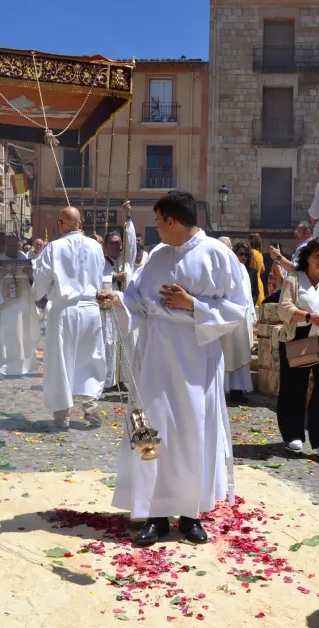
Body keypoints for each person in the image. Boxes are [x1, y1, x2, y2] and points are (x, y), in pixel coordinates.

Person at [96, 190, 248, 546]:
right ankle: (156, 513)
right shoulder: (158, 257)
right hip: (155, 359)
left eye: (159, 221)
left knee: (193, 431)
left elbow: (236, 308)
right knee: (153, 430)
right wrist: (117, 299)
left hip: (195, 360)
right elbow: (136, 298)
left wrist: (192, 304)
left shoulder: (218, 256)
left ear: (172, 221)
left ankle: (191, 513)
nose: (157, 229)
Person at [32, 207, 106, 428]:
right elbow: (100, 275)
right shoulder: (96, 247)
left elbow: (42, 280)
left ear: (60, 223)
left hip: (65, 308)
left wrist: (37, 295)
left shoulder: (54, 247)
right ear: (80, 223)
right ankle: (90, 405)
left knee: (60, 359)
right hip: (91, 308)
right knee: (91, 355)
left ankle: (62, 412)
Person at [276, 237, 319, 456]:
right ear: (307, 257)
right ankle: (294, 435)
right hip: (299, 336)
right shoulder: (294, 280)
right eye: (318, 255)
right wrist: (309, 316)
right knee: (294, 386)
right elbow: (284, 307)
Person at [0, 233, 39, 377]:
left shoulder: (24, 259)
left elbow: (37, 280)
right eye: (10, 246)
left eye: (16, 245)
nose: (14, 249)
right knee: (7, 335)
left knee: (24, 333)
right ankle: (5, 368)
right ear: (5, 246)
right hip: (5, 305)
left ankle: (23, 367)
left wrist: (31, 276)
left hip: (23, 303)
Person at [101, 202, 137, 393]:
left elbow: (131, 242)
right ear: (105, 246)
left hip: (124, 309)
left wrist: (128, 219)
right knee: (109, 344)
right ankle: (108, 380)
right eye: (112, 243)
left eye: (118, 243)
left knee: (125, 344)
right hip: (107, 311)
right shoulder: (101, 263)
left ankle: (122, 379)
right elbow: (96, 281)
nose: (117, 246)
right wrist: (113, 277)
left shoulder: (126, 262)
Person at [220, 238, 256, 404]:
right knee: (227, 354)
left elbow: (248, 294)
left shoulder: (242, 269)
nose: (243, 257)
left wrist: (251, 314)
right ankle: (224, 389)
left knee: (240, 354)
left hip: (241, 319)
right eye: (240, 254)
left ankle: (237, 390)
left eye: (245, 255)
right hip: (225, 318)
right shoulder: (220, 268)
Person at [248, 232, 266, 305]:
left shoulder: (251, 252)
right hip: (259, 282)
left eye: (248, 241)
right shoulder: (260, 253)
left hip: (253, 282)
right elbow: (263, 269)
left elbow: (252, 267)